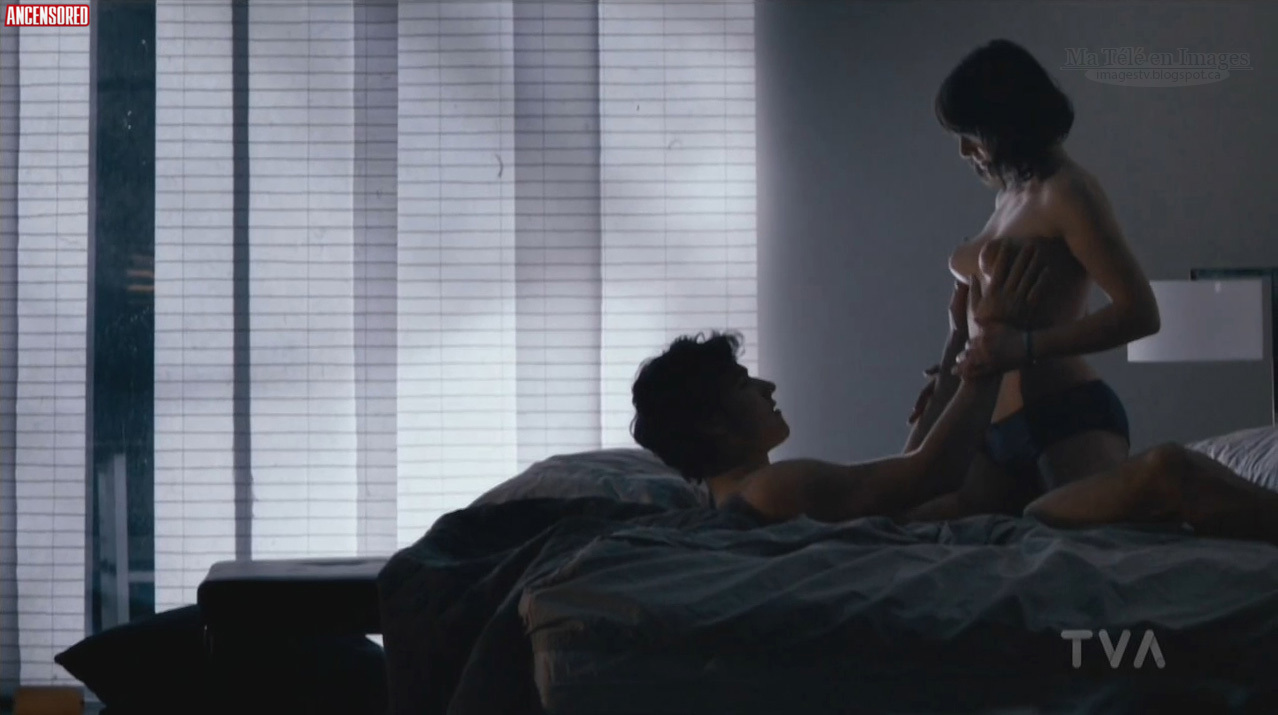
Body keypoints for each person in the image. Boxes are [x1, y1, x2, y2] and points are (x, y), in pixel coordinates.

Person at [628, 249, 1278, 545]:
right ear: (712, 426)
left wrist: (954, 347)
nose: (766, 386)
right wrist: (990, 349)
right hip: (1010, 532)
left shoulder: (743, 499)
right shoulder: (771, 490)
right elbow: (927, 474)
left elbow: (895, 484)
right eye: (744, 385)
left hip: (996, 517)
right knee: (1168, 469)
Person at [916, 38, 1161, 515]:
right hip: (990, 427)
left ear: (1007, 122)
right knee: (917, 526)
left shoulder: (1067, 193)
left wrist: (1024, 347)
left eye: (971, 133)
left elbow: (1140, 313)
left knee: (1092, 545)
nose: (963, 150)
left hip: (1064, 414)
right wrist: (953, 373)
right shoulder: (1007, 198)